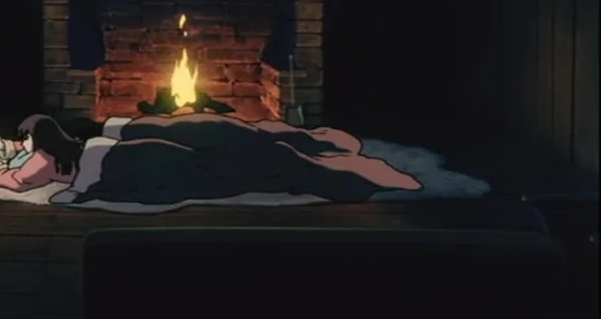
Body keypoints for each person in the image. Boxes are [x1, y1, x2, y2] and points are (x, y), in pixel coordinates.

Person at [51, 113, 422, 204]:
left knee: (208, 130)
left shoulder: (65, 144)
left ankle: (311, 145)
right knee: (262, 160)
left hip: (113, 135)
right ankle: (327, 163)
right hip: (113, 148)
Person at [0, 114, 83, 193]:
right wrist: (4, 146)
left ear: (38, 137)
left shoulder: (43, 159)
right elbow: (24, 145)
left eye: (25, 139)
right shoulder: (61, 145)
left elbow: (18, 181)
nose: (22, 143)